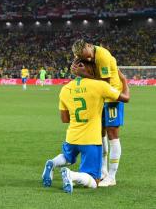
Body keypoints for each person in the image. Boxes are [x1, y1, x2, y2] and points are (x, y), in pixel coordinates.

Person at [42, 60, 130, 193]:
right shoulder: (99, 86)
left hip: (71, 137)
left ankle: (52, 163)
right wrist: (124, 81)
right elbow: (125, 98)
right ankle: (71, 175)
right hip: (91, 139)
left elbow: (65, 119)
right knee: (94, 181)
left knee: (67, 158)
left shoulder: (65, 89)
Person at [72, 39, 124, 187]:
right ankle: (103, 171)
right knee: (100, 134)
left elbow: (105, 83)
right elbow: (80, 64)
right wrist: (75, 66)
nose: (86, 59)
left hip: (112, 96)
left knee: (112, 134)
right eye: (83, 57)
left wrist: (84, 74)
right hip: (99, 97)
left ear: (89, 46)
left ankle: (112, 177)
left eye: (86, 55)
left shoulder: (103, 56)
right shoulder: (86, 55)